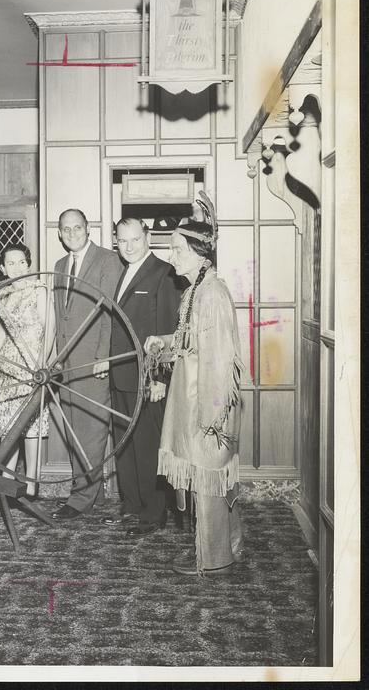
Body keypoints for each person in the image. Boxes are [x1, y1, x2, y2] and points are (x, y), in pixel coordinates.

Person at [144, 198, 244, 577]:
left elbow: (220, 362)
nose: (171, 256)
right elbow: (191, 344)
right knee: (213, 482)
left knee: (208, 481)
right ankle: (229, 545)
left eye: (176, 249)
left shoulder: (212, 294)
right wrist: (162, 341)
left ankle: (214, 560)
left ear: (198, 253)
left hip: (206, 407)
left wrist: (212, 416)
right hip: (191, 400)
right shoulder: (194, 293)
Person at [105, 218, 181, 537]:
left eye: (136, 239)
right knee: (125, 443)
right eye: (123, 241)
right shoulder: (123, 272)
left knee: (148, 445)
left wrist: (160, 379)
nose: (130, 247)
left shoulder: (163, 274)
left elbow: (166, 330)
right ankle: (132, 505)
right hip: (120, 374)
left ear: (148, 237)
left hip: (148, 379)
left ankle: (153, 514)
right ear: (116, 242)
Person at [51, 209, 122, 521]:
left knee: (90, 430)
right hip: (66, 362)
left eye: (77, 227)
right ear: (59, 233)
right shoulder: (59, 265)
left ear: (88, 228)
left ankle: (80, 498)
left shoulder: (108, 260)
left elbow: (110, 312)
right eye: (65, 229)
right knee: (74, 430)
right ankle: (94, 492)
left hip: (93, 360)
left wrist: (103, 356)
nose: (71, 233)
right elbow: (60, 316)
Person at [0, 243, 55, 498]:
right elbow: (0, 334)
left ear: (29, 264)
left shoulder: (38, 290)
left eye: (21, 262)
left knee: (31, 427)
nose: (17, 267)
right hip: (8, 365)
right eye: (11, 263)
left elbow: (49, 328)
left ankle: (31, 485)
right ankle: (7, 483)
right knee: (8, 426)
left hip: (32, 364)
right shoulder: (1, 295)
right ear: (3, 268)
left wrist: (41, 361)